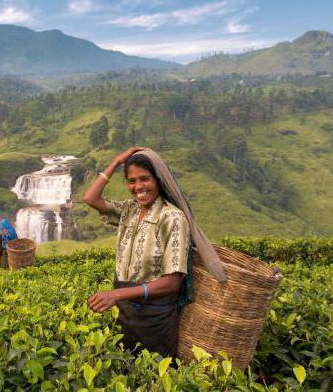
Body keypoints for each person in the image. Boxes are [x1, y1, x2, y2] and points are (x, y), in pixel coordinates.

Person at [83, 147, 226, 358]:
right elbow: (90, 198)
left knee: (155, 376)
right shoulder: (128, 210)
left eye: (145, 179)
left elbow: (172, 283)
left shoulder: (172, 218)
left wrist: (116, 294)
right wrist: (117, 161)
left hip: (154, 319)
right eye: (131, 181)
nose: (138, 187)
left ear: (159, 180)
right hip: (124, 313)